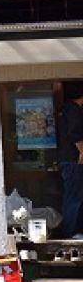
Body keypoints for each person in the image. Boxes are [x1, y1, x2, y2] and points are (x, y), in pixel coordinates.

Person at [57, 81, 83, 239]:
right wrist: (82, 152)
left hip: (68, 160)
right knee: (74, 196)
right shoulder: (73, 109)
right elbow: (75, 133)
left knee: (74, 195)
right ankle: (72, 232)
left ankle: (74, 231)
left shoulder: (67, 109)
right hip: (73, 161)